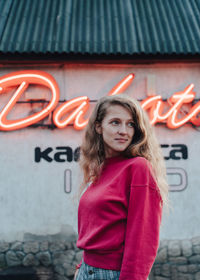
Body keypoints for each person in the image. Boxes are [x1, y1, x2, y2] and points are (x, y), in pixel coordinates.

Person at [74, 94, 168, 280]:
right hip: (87, 270)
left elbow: (143, 239)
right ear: (99, 127)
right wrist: (81, 266)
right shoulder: (100, 170)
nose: (124, 131)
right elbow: (99, 228)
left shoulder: (138, 167)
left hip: (114, 275)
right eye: (115, 122)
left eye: (130, 124)